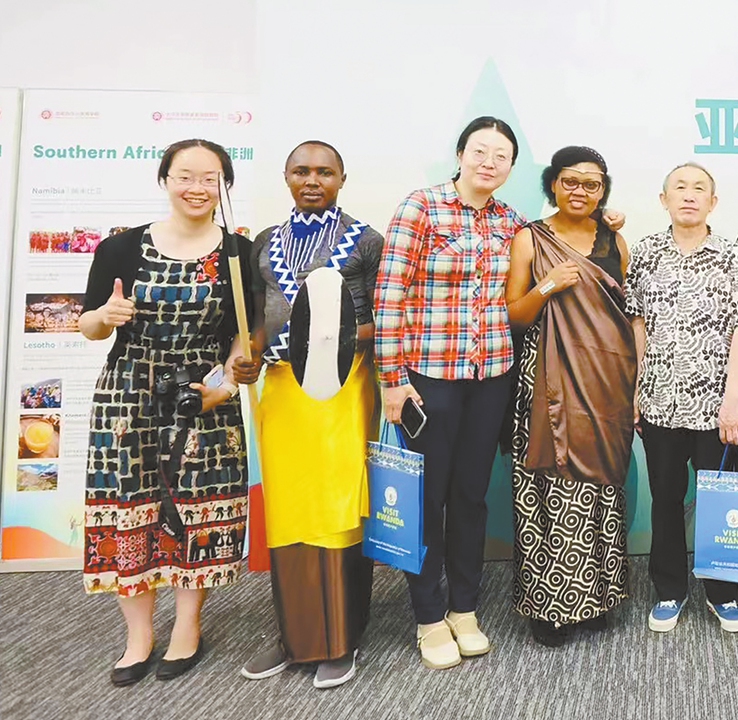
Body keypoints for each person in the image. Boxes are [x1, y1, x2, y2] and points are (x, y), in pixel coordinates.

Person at [375, 117, 623, 669]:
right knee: (428, 499)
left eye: (501, 155)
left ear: (513, 168)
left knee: (470, 496)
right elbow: (389, 298)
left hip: (493, 379)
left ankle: (465, 607)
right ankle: (429, 616)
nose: (489, 162)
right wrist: (392, 381)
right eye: (480, 151)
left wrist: (605, 219)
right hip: (430, 378)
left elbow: (570, 237)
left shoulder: (513, 222)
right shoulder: (421, 208)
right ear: (461, 154)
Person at [79, 139, 253, 686]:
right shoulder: (120, 248)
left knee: (196, 514)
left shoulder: (238, 255)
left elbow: (242, 346)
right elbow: (88, 326)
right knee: (128, 509)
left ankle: (187, 628)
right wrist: (105, 315)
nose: (197, 188)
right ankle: (138, 637)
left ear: (223, 184)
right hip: (128, 396)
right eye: (185, 176)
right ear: (164, 179)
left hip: (202, 397)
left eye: (209, 178)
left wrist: (220, 392)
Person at [232, 141, 384, 688]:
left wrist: (330, 337)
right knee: (291, 508)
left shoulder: (366, 241)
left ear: (343, 177)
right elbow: (255, 318)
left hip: (344, 387)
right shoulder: (264, 244)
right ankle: (292, 633)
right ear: (286, 177)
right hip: (281, 391)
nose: (313, 179)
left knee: (337, 504)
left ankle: (339, 635)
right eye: (302, 171)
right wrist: (245, 356)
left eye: (325, 171)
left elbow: (384, 318)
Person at [625, 162, 738, 634]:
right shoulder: (646, 253)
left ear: (714, 201)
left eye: (699, 189)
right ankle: (669, 589)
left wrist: (733, 401)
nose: (689, 195)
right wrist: (636, 388)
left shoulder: (732, 257)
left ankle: (723, 594)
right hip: (660, 402)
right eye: (679, 188)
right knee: (665, 499)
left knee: (719, 502)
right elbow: (638, 325)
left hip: (715, 407)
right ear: (663, 199)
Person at [505, 146, 635, 646]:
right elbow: (514, 314)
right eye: (570, 181)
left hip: (605, 381)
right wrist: (547, 287)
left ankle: (597, 596)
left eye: (592, 183)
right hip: (550, 380)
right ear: (552, 185)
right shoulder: (530, 239)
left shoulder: (615, 241)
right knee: (552, 485)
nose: (580, 190)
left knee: (600, 485)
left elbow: (626, 314)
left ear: (603, 191)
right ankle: (551, 606)